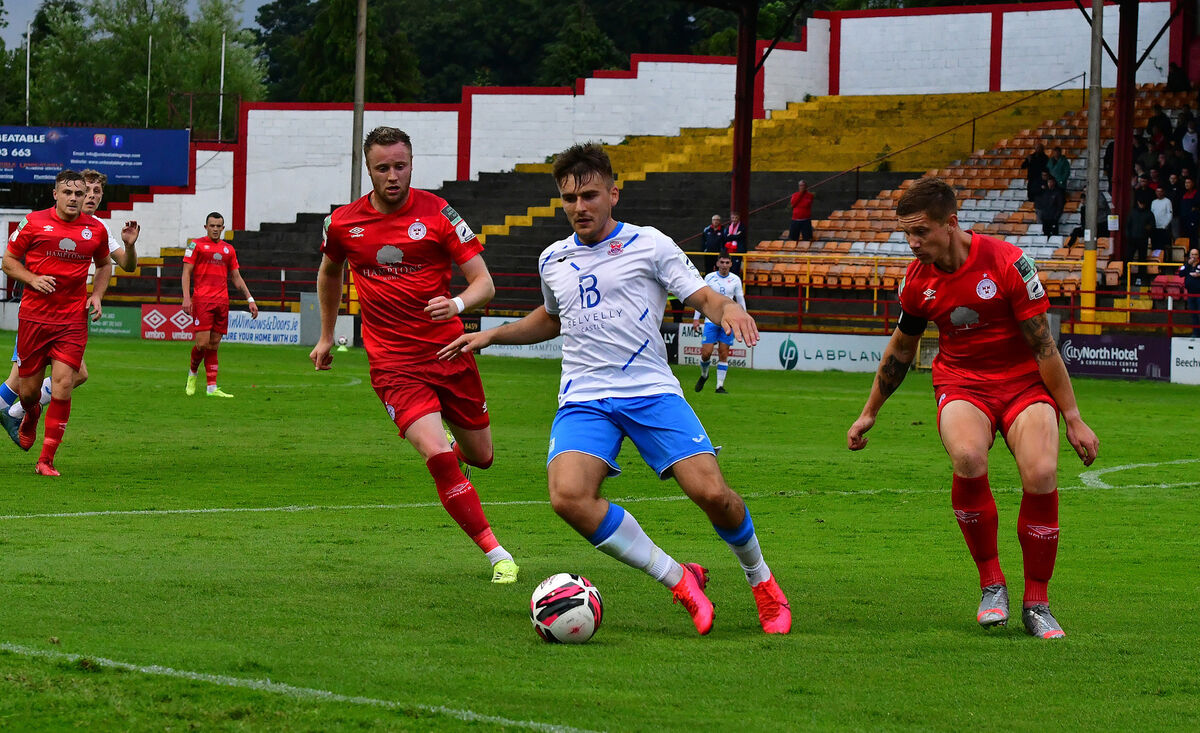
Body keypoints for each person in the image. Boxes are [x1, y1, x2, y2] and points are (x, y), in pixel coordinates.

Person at [438, 142, 790, 635]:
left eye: (590, 196)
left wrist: (727, 308)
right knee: (568, 496)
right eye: (569, 198)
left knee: (714, 495)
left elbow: (704, 296)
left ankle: (761, 580)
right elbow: (553, 318)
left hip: (650, 390)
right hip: (584, 397)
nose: (579, 207)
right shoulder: (552, 258)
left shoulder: (650, 244)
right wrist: (493, 335)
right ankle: (678, 579)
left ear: (613, 194)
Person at [846, 177, 1099, 640]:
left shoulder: (1007, 262)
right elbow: (901, 349)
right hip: (962, 383)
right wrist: (870, 411)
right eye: (907, 233)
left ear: (951, 223)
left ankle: (1038, 603)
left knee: (1042, 473)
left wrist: (1074, 418)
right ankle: (992, 585)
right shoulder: (917, 281)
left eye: (921, 232)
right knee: (967, 457)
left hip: (1024, 384)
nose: (912, 243)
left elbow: (1043, 346)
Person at [310, 126, 519, 584]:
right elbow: (329, 273)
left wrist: (457, 304)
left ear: (411, 165)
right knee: (438, 454)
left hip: (449, 353)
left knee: (481, 456)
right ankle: (498, 554)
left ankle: (459, 462)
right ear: (368, 171)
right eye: (382, 168)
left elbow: (484, 283)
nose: (392, 176)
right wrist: (326, 335)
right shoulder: (342, 223)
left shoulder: (439, 213)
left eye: (400, 166)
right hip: (393, 365)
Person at [0, 170, 140, 444]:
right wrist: (33, 278)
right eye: (86, 190)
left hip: (67, 319)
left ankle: (18, 414)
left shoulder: (98, 228)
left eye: (96, 192)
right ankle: (16, 413)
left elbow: (123, 264)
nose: (90, 196)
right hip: (37, 315)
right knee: (21, 384)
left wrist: (128, 247)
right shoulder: (45, 221)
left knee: (66, 376)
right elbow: (10, 259)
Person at [181, 212, 258, 398]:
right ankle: (192, 373)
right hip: (202, 300)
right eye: (212, 226)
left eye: (218, 226)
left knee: (214, 345)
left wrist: (250, 299)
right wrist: (186, 298)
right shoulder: (195, 245)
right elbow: (186, 273)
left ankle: (211, 388)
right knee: (202, 344)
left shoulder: (228, 250)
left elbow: (236, 277)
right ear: (206, 227)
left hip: (222, 301)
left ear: (223, 228)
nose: (215, 229)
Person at [693, 253, 745, 394]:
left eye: (727, 262)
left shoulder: (735, 279)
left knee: (723, 352)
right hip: (710, 319)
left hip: (728, 321)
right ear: (717, 263)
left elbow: (740, 299)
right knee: (706, 353)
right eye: (722, 262)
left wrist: (743, 317)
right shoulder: (709, 277)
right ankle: (704, 375)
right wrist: (696, 318)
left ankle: (719, 386)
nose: (724, 265)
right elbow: (701, 299)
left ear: (731, 264)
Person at [1127, 197, 1155, 286]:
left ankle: (1141, 278)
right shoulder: (1133, 213)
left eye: (1143, 204)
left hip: (1143, 239)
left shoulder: (1149, 213)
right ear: (1138, 202)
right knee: (1129, 258)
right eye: (1140, 203)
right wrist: (1129, 236)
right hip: (1132, 239)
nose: (1142, 205)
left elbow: (1153, 226)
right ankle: (1127, 277)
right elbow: (1128, 225)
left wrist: (1148, 229)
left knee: (1142, 259)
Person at [1179, 248, 1200, 336]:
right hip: (1190, 293)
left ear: (1198, 256)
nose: (1194, 256)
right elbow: (1180, 274)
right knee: (1193, 314)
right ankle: (1196, 333)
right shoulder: (1186, 265)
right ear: (1189, 255)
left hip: (1199, 294)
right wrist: (1188, 264)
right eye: (1192, 254)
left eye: (1195, 254)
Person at [724, 211, 746, 275]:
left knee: (735, 269)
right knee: (728, 268)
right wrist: (734, 236)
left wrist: (730, 236)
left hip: (737, 251)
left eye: (736, 218)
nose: (734, 219)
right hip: (728, 251)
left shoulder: (742, 227)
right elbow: (725, 237)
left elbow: (739, 237)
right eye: (733, 218)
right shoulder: (728, 227)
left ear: (738, 218)